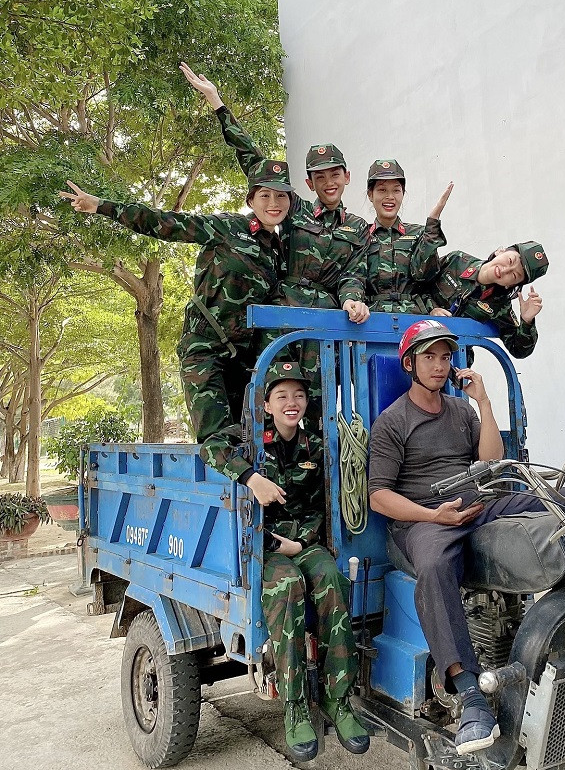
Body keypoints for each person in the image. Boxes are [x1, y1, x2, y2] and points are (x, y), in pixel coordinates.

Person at [368, 320, 565, 756]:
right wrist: (435, 514)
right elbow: (378, 497)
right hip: (424, 518)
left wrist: (484, 402)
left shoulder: (462, 411)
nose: (438, 365)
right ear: (409, 363)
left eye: (445, 357)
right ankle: (469, 694)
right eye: (428, 356)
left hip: (476, 501)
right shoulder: (392, 422)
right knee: (433, 566)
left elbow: (492, 461)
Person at [58, 162, 292, 497]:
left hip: (248, 357)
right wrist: (100, 206)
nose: (274, 202)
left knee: (258, 432)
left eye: (281, 195)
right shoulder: (225, 228)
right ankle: (252, 483)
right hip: (206, 349)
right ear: (251, 200)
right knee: (216, 432)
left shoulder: (282, 249)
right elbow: (162, 223)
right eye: (265, 194)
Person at [180, 64, 370, 425]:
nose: (328, 182)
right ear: (309, 183)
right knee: (268, 398)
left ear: (347, 177)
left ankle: (314, 474)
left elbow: (355, 273)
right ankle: (263, 472)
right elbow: (253, 161)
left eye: (335, 174)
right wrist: (218, 104)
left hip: (321, 325)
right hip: (279, 318)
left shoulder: (359, 228)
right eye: (319, 177)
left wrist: (352, 298)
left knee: (317, 407)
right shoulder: (294, 210)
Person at [242, 361, 369, 762]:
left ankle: (338, 699)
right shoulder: (251, 447)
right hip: (262, 547)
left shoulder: (316, 442)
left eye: (298, 395)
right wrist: (250, 477)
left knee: (332, 578)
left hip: (302, 542)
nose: (291, 403)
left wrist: (300, 543)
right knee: (288, 586)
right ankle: (295, 705)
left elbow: (321, 506)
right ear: (266, 405)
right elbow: (238, 506)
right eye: (282, 396)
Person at [429, 242, 548, 358]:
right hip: (416, 339)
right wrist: (430, 312)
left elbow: (518, 350)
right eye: (510, 261)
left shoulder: (499, 305)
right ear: (500, 251)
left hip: (453, 360)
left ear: (510, 285)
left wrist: (527, 321)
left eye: (514, 275)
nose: (505, 270)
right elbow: (416, 284)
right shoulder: (457, 261)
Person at [364, 158, 452, 313]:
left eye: (396, 190)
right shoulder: (361, 235)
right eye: (382, 190)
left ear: (403, 194)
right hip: (371, 321)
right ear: (370, 195)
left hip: (413, 319)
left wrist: (433, 309)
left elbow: (428, 280)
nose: (390, 196)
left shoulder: (418, 234)